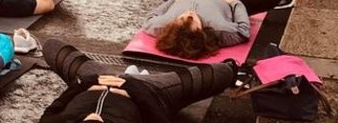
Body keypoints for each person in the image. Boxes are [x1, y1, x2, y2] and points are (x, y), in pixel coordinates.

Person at [41, 38, 238, 123]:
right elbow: (160, 118)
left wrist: (86, 83)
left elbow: (55, 107)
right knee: (225, 72)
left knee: (50, 46)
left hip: (92, 81)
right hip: (149, 91)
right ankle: (136, 75)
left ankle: (131, 73)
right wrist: (132, 86)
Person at [142, 0, 287, 59]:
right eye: (192, 19)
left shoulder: (160, 27)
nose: (189, 13)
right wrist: (234, 3)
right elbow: (244, 31)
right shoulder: (220, 30)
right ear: (203, 31)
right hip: (224, 1)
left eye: (182, 18)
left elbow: (149, 18)